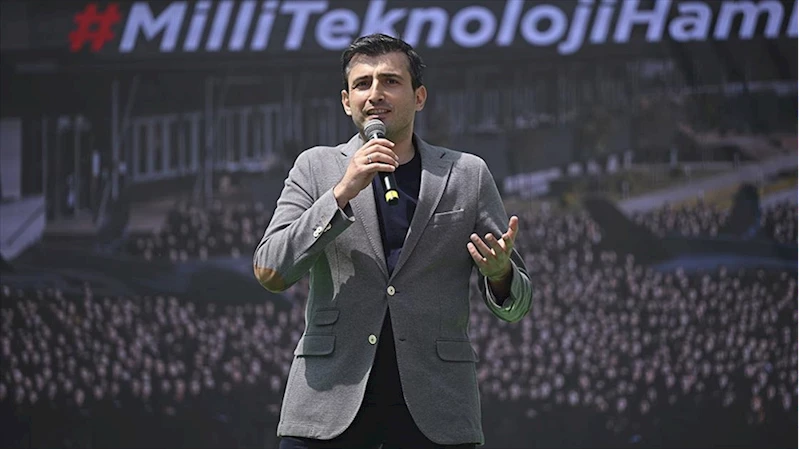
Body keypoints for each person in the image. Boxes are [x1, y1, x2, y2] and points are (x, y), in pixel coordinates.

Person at [253, 33, 533, 449]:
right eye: (362, 84)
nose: (375, 94)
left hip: (436, 408)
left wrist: (500, 274)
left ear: (419, 97)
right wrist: (340, 193)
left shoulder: (467, 174)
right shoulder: (315, 167)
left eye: (390, 81)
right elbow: (270, 270)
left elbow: (518, 304)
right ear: (346, 101)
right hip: (328, 405)